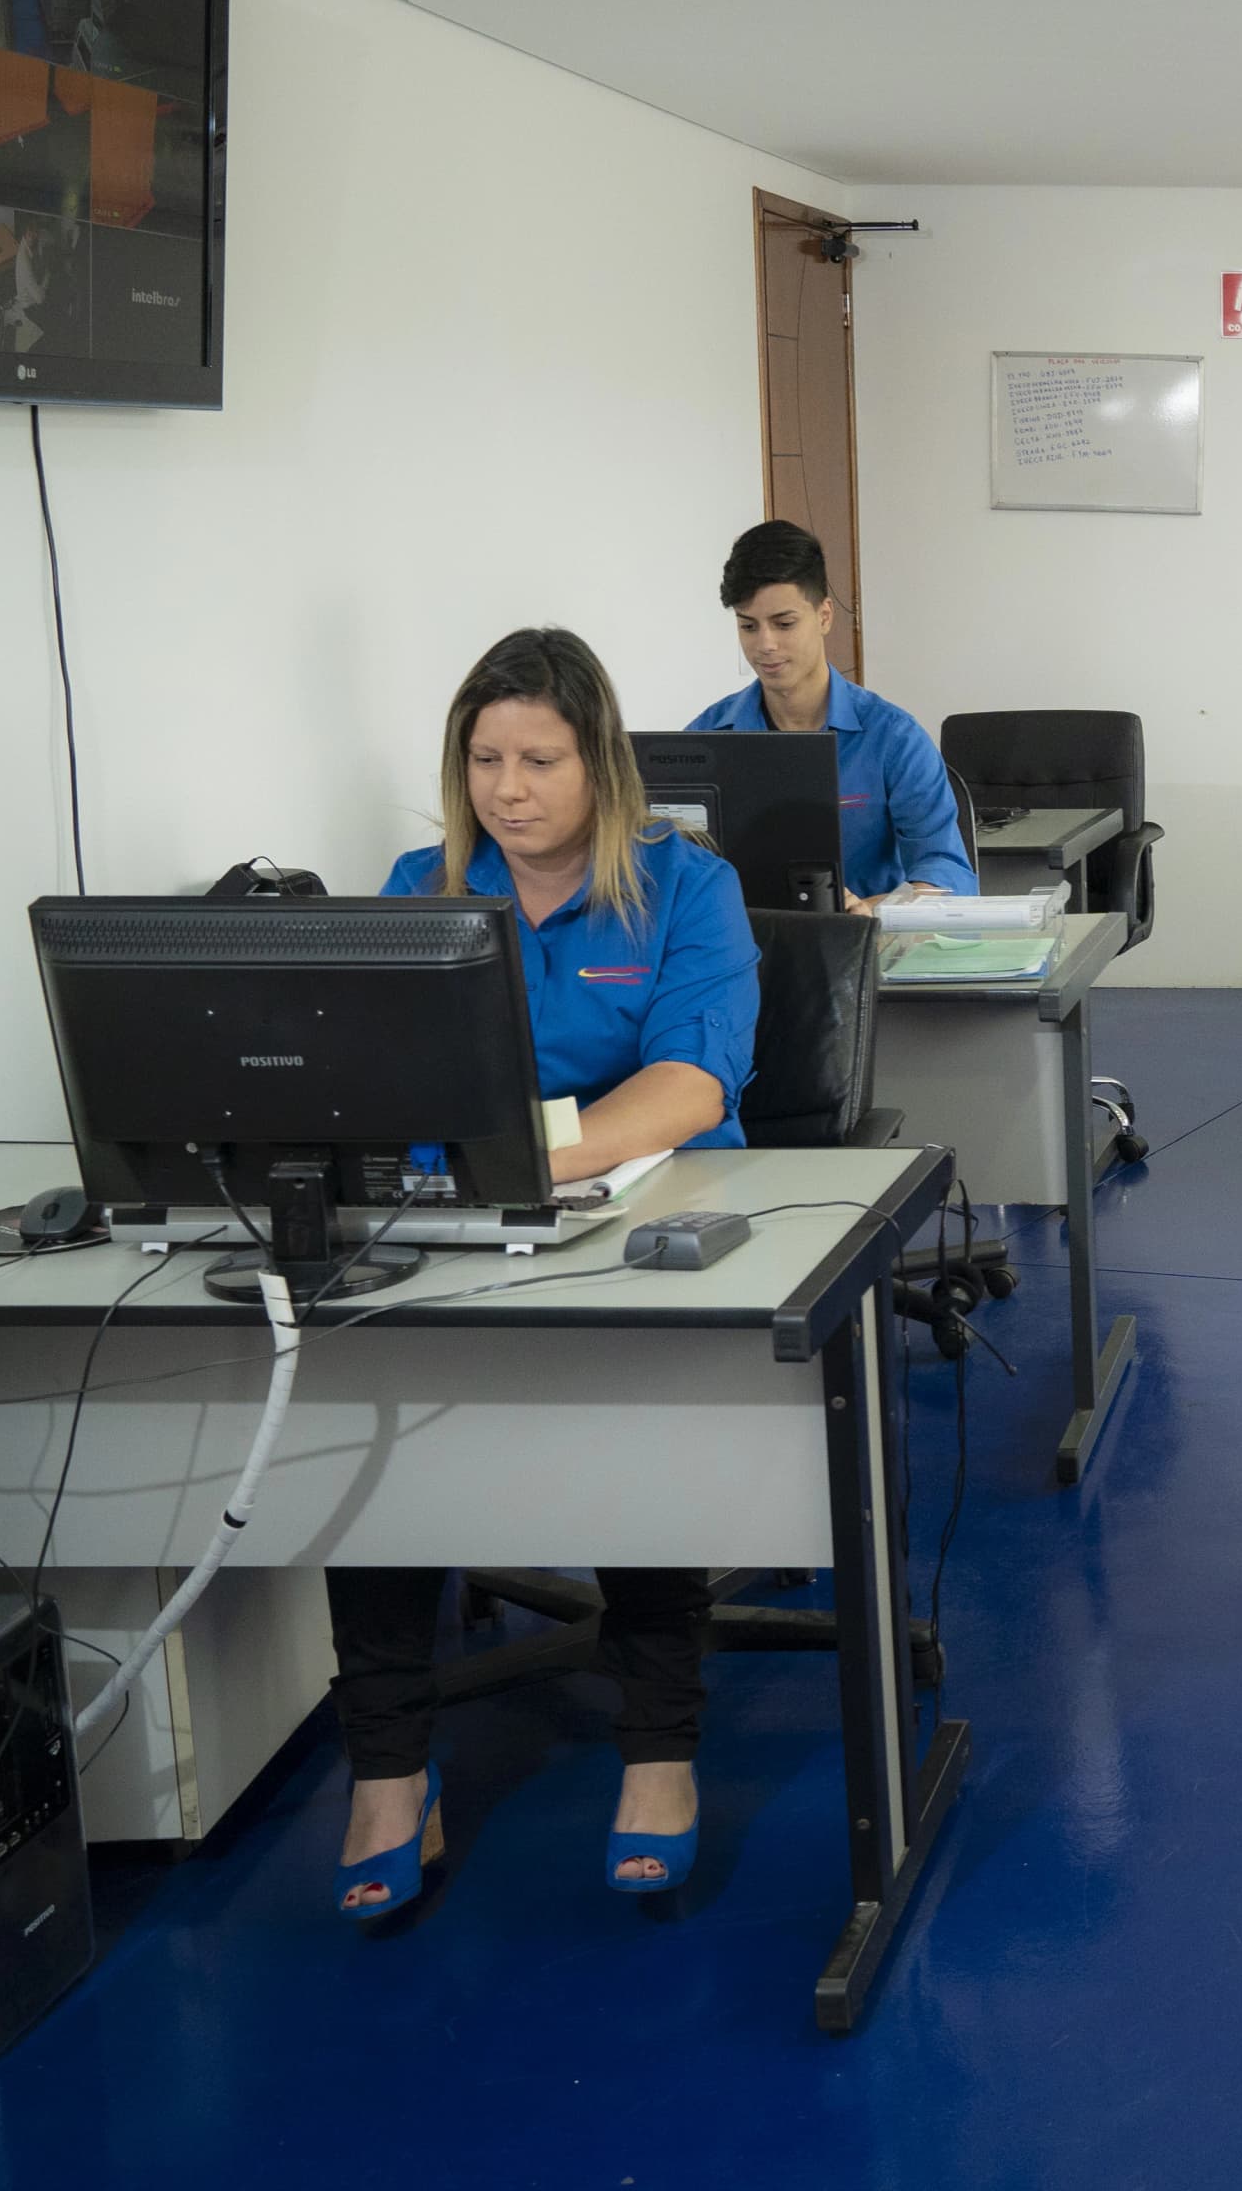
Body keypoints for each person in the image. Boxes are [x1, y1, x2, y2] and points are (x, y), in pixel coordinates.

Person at [326, 624, 762, 1918]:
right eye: (483, 760)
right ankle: (389, 1770)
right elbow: (377, 1075)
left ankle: (658, 1747)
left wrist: (537, 1164)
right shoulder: (423, 884)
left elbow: (690, 1080)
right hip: (459, 1214)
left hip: (646, 1206)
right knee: (367, 1420)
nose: (507, 789)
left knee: (639, 1422)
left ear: (600, 763)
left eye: (540, 759)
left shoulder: (685, 885)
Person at [687, 519, 976, 909]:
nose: (765, 644)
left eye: (784, 623)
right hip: (746, 950)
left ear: (824, 616)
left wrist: (874, 909)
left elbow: (949, 874)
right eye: (748, 626)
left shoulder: (893, 737)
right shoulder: (706, 738)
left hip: (867, 949)